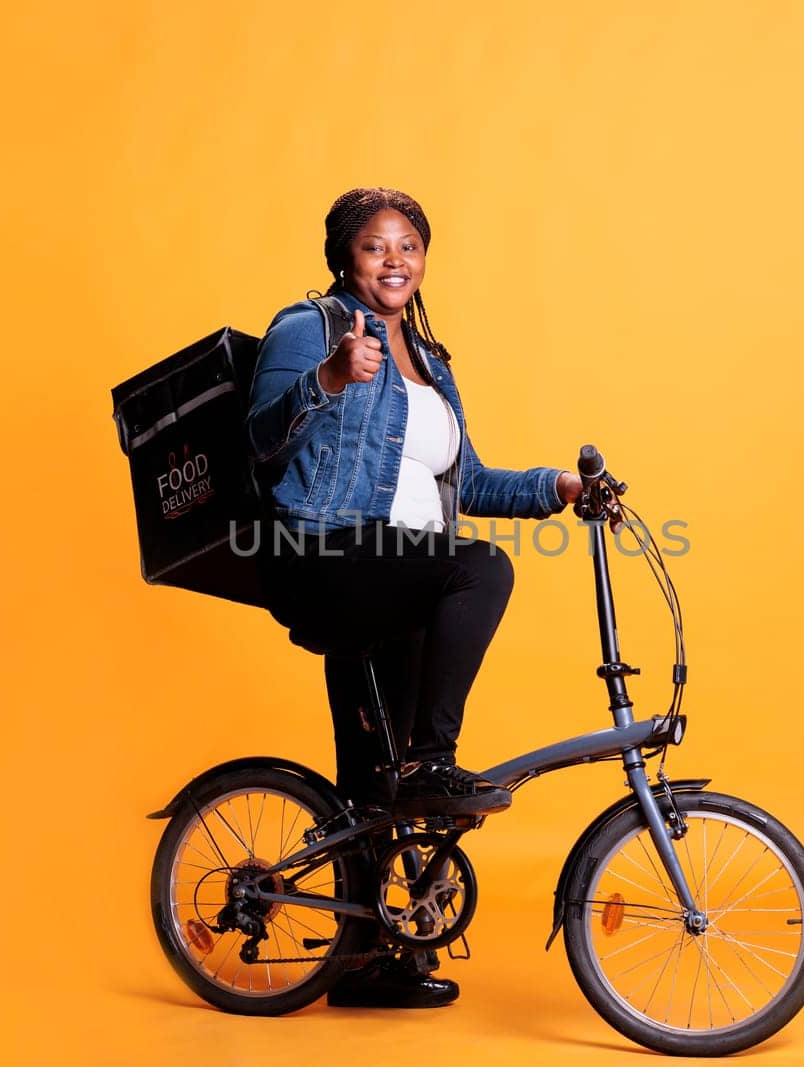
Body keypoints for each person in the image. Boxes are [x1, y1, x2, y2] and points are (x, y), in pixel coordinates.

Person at [245, 187, 583, 1008]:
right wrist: (327, 377)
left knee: (373, 780)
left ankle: (368, 963)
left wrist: (559, 486)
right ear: (345, 258)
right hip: (327, 553)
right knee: (483, 568)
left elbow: (465, 481)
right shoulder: (313, 327)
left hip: (398, 570)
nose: (395, 260)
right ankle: (437, 756)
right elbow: (258, 437)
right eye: (375, 247)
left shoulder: (432, 365)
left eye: (409, 245)